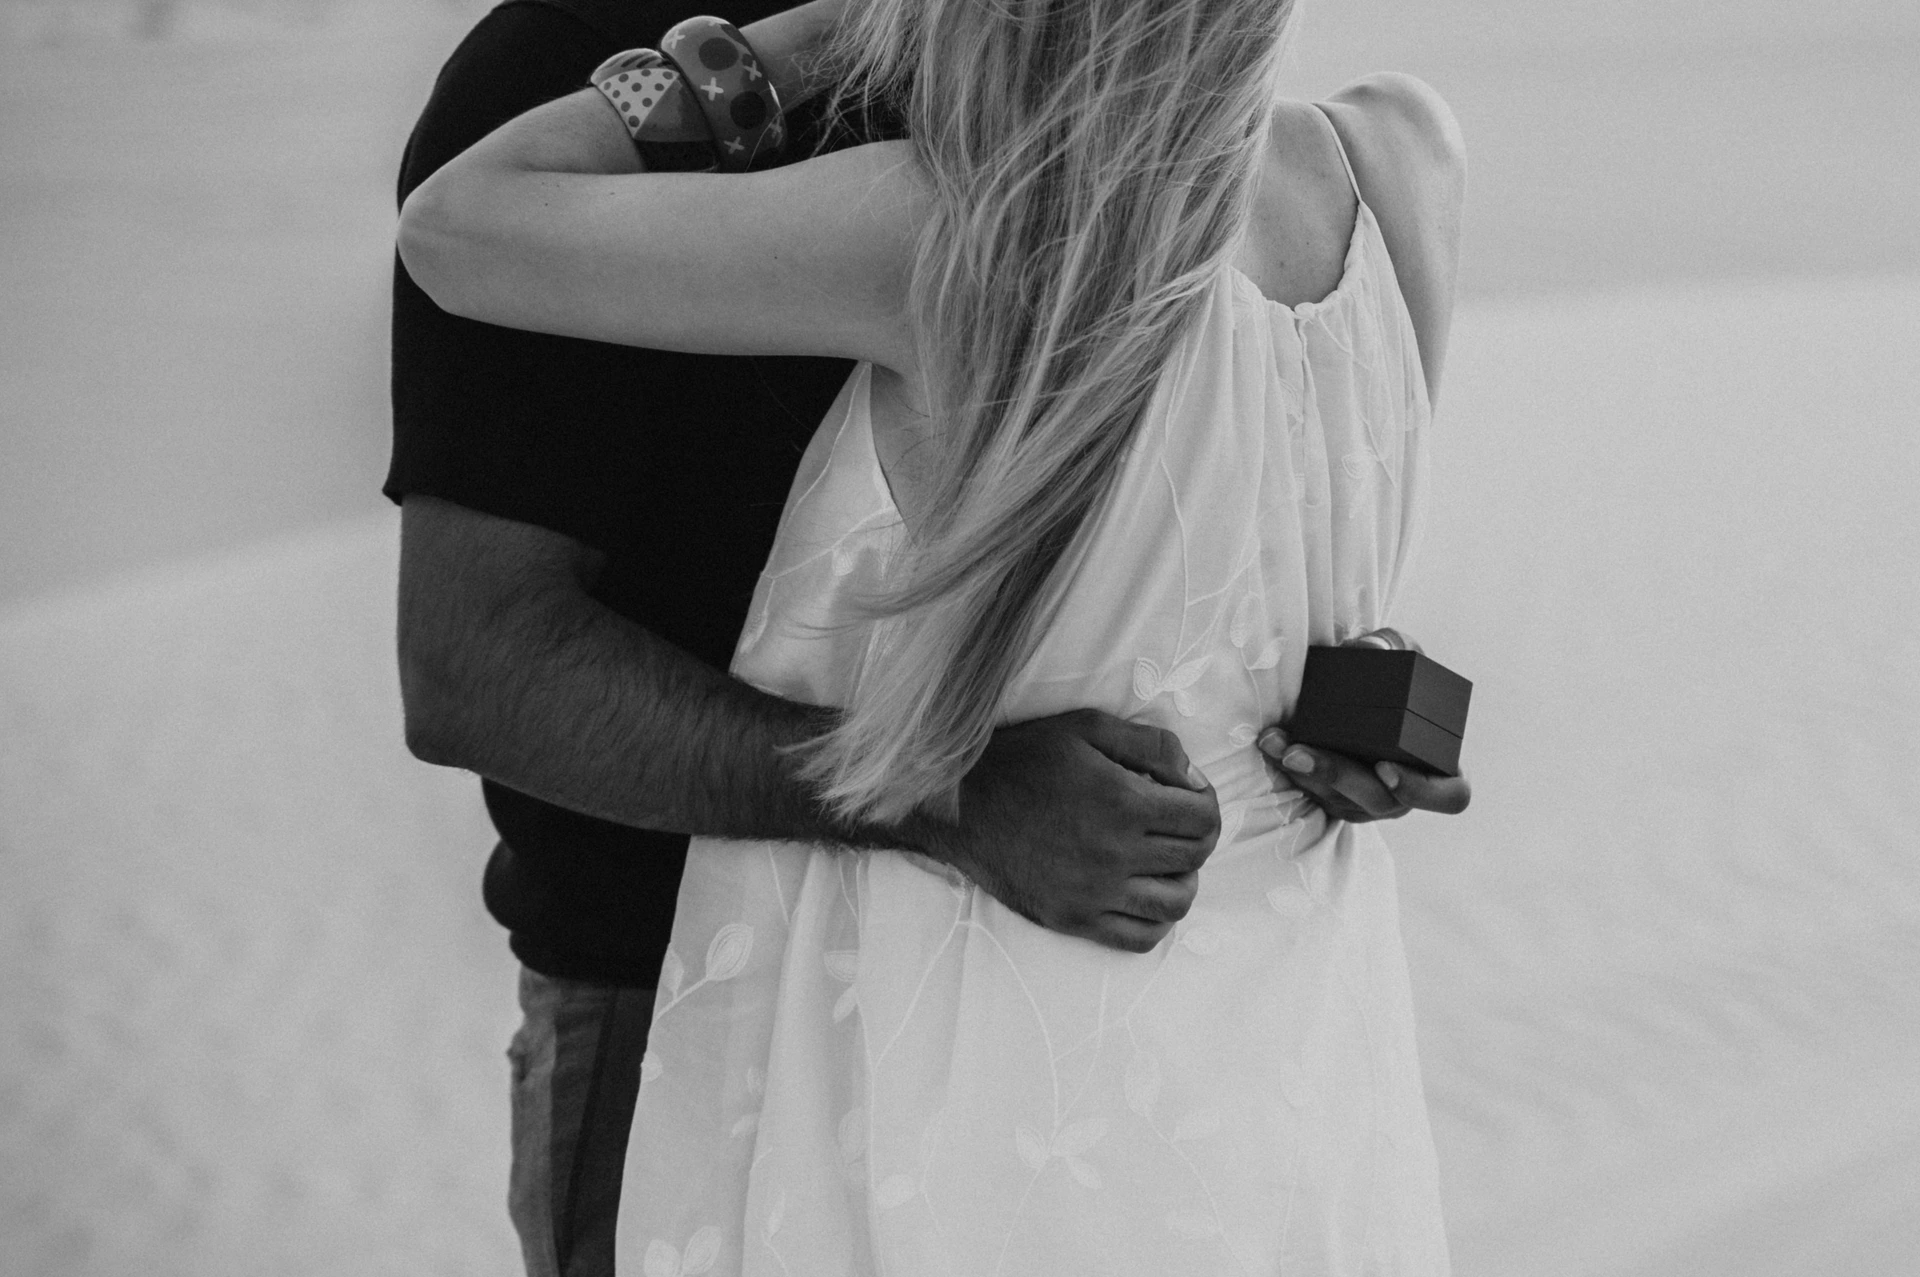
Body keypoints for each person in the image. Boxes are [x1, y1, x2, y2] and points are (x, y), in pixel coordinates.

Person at [396, 0, 1470, 1269]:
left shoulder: (974, 208)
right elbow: (475, 664)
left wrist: (1318, 695)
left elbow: (459, 228)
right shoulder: (1391, 156)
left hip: (1114, 1050)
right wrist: (947, 796)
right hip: (731, 994)